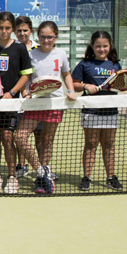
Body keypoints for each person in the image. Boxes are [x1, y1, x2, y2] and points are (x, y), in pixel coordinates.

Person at [12, 21, 77, 194]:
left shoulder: (61, 54)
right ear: (37, 36)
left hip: (54, 103)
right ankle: (41, 170)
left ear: (56, 36)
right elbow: (25, 76)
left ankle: (42, 178)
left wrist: (70, 90)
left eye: (50, 37)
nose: (46, 40)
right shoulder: (30, 54)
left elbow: (66, 74)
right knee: (19, 137)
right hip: (34, 103)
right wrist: (25, 93)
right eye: (42, 36)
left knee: (46, 141)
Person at [0, 12, 32, 194]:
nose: (4, 32)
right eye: (0, 28)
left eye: (7, 28)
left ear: (12, 29)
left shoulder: (20, 49)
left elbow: (25, 74)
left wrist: (11, 93)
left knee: (7, 137)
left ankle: (12, 176)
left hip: (11, 103)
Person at [72, 31, 123, 191]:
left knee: (109, 144)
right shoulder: (84, 64)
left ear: (110, 46)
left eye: (105, 46)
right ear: (92, 47)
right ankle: (87, 177)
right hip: (91, 110)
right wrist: (86, 86)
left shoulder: (115, 65)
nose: (102, 49)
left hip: (110, 111)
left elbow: (120, 83)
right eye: (98, 46)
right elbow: (74, 84)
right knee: (91, 144)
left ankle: (110, 177)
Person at [14, 15, 40, 178]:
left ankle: (43, 167)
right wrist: (24, 91)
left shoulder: (39, 48)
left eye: (25, 30)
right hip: (20, 100)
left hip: (39, 100)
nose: (22, 33)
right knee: (19, 134)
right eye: (19, 31)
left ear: (31, 31)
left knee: (40, 136)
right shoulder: (13, 48)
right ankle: (21, 165)